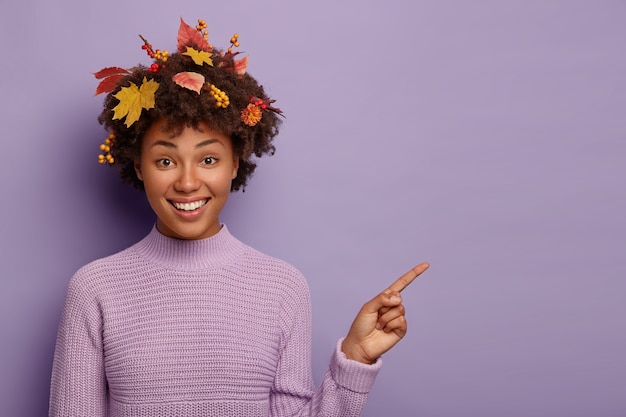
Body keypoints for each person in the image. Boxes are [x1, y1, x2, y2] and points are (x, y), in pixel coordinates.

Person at [49, 17, 429, 417]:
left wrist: (354, 359)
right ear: (139, 166)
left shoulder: (284, 287)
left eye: (208, 159)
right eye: (165, 160)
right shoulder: (94, 290)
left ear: (235, 162)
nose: (188, 181)